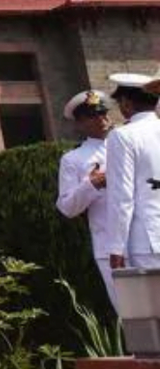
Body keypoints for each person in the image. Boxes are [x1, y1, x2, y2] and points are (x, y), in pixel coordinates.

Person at [57, 89, 120, 307]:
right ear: (80, 124)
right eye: (93, 116)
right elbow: (66, 207)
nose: (101, 119)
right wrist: (91, 185)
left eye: (103, 113)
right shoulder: (74, 159)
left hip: (149, 235)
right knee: (131, 313)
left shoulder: (129, 143)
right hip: (110, 243)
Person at [106, 73, 160, 295]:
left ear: (126, 103)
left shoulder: (123, 136)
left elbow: (122, 197)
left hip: (149, 239)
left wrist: (116, 247)